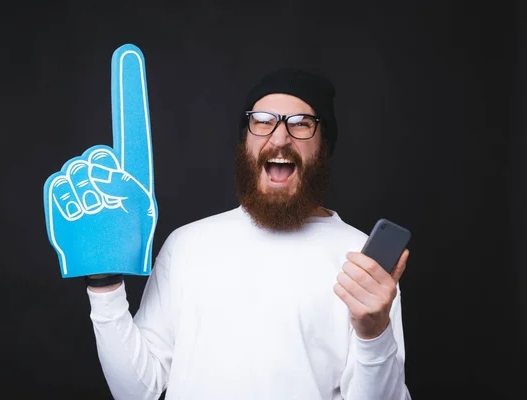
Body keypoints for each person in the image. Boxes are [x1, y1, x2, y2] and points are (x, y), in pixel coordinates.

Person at [85, 68, 412, 399]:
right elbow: (136, 391)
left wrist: (374, 333)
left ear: (323, 146)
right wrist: (103, 283)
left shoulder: (361, 262)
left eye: (300, 123)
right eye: (263, 120)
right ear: (246, 141)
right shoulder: (187, 245)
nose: (280, 137)